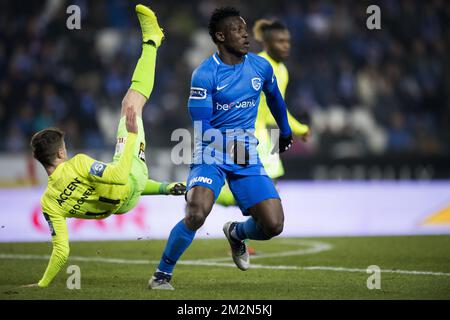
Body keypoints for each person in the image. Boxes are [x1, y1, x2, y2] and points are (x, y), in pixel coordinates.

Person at [24, 4, 185, 288]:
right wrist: (132, 137)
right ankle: (152, 40)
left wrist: (41, 284)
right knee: (131, 105)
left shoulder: (48, 203)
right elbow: (121, 177)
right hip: (130, 176)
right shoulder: (80, 163)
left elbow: (62, 252)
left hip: (126, 203)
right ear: (61, 152)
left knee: (120, 172)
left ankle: (163, 185)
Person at [150, 7, 294, 290]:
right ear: (220, 36)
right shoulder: (204, 75)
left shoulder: (260, 67)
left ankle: (237, 232)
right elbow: (202, 128)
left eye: (245, 28)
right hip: (211, 152)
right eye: (237, 30)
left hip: (247, 153)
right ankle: (161, 275)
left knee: (274, 225)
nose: (245, 35)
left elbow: (275, 98)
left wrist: (285, 130)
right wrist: (230, 147)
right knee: (196, 212)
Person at [215, 19, 310, 208]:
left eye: (287, 41)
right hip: (246, 132)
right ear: (266, 44)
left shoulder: (281, 70)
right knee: (258, 195)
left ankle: (205, 196)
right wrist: (300, 128)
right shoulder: (257, 65)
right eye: (280, 41)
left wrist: (297, 129)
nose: (285, 46)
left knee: (266, 194)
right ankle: (199, 191)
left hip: (265, 133)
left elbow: (274, 110)